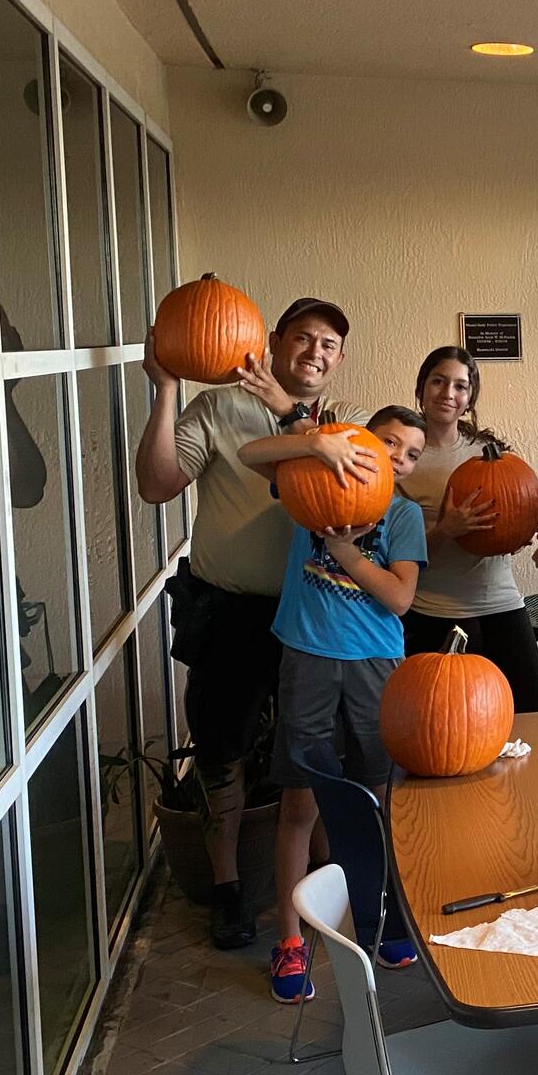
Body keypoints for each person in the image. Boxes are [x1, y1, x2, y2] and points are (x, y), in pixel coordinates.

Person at [135, 296, 368, 952]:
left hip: (315, 614)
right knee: (221, 754)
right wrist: (167, 390)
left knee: (315, 753)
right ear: (273, 341)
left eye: (328, 344)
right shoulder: (216, 408)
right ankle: (229, 889)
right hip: (231, 611)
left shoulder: (346, 424)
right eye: (303, 338)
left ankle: (327, 880)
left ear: (339, 359)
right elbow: (156, 485)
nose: (315, 352)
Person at [238, 406, 429, 1001]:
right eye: (388, 443)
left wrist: (346, 553)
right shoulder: (311, 487)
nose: (397, 457)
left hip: (376, 664)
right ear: (363, 444)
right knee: (301, 802)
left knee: (377, 799)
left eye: (411, 452)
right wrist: (319, 446)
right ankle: (290, 938)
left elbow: (399, 598)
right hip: (309, 658)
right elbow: (251, 455)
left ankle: (382, 913)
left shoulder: (403, 514)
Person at [399, 346, 538, 713]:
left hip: (501, 602)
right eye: (438, 381)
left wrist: (523, 535)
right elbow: (396, 557)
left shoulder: (490, 452)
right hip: (433, 611)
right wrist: (446, 529)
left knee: (532, 711)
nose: (448, 393)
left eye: (460, 386)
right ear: (421, 388)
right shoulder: (401, 457)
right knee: (445, 722)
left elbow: (515, 513)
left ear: (470, 399)